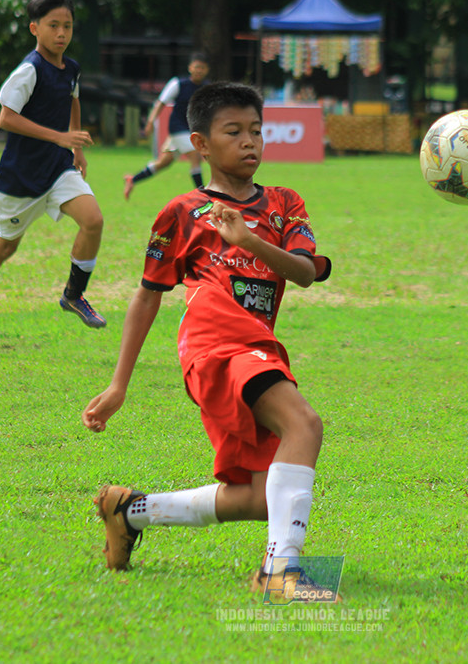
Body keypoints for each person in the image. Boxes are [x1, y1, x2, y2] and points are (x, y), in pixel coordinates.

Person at [84, 82, 335, 597]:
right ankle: (279, 573)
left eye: (257, 131)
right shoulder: (182, 212)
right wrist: (118, 386)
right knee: (304, 424)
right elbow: (147, 296)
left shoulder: (284, 204)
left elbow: (307, 273)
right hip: (212, 346)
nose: (250, 142)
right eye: (234, 132)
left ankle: (130, 512)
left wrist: (250, 239)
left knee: (264, 498)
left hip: (256, 347)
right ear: (200, 143)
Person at [0, 0, 106, 352]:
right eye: (53, 26)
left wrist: (76, 146)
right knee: (4, 247)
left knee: (93, 220)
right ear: (35, 28)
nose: (61, 33)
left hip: (58, 169)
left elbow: (73, 99)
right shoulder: (30, 69)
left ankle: (74, 294)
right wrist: (60, 137)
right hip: (20, 178)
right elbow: (7, 117)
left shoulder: (72, 68)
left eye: (67, 26)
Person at [123, 52, 210, 200]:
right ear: (190, 68)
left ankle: (133, 180)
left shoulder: (207, 88)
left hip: (192, 129)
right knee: (195, 155)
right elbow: (160, 102)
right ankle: (203, 196)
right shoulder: (178, 84)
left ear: (207, 70)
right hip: (178, 128)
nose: (199, 70)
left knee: (164, 162)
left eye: (202, 68)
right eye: (196, 67)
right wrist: (150, 122)